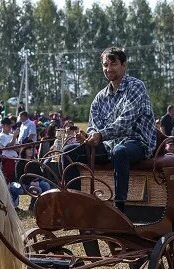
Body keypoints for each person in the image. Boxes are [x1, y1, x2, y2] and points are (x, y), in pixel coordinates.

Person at [62, 47, 156, 212]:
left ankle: (119, 209)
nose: (108, 68)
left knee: (120, 152)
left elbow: (126, 121)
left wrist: (100, 134)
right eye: (105, 65)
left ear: (123, 65)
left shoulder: (135, 87)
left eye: (113, 64)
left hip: (137, 142)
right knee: (69, 151)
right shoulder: (100, 98)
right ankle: (74, 204)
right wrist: (88, 136)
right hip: (108, 145)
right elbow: (93, 126)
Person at [0, 117, 20, 182]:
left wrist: (13, 145)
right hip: (7, 159)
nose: (10, 127)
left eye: (10, 125)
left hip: (15, 159)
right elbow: (9, 146)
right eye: (7, 125)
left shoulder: (11, 135)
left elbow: (19, 148)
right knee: (8, 178)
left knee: (16, 178)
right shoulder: (1, 136)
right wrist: (15, 137)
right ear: (3, 126)